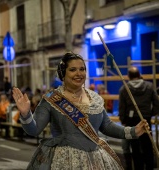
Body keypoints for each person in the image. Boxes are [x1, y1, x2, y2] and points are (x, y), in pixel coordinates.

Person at [12, 52, 150, 170]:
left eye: (82, 69)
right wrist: (25, 113)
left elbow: (107, 126)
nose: (79, 74)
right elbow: (33, 130)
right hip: (63, 161)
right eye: (73, 70)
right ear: (62, 73)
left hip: (95, 160)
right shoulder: (51, 99)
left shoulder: (95, 98)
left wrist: (134, 131)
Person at [118, 66, 159, 170]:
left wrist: (123, 120)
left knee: (135, 147)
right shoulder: (149, 86)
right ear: (139, 75)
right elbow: (157, 103)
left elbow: (122, 107)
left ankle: (138, 167)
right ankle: (149, 167)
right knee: (147, 145)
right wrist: (151, 113)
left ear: (128, 76)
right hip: (145, 118)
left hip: (131, 120)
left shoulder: (124, 89)